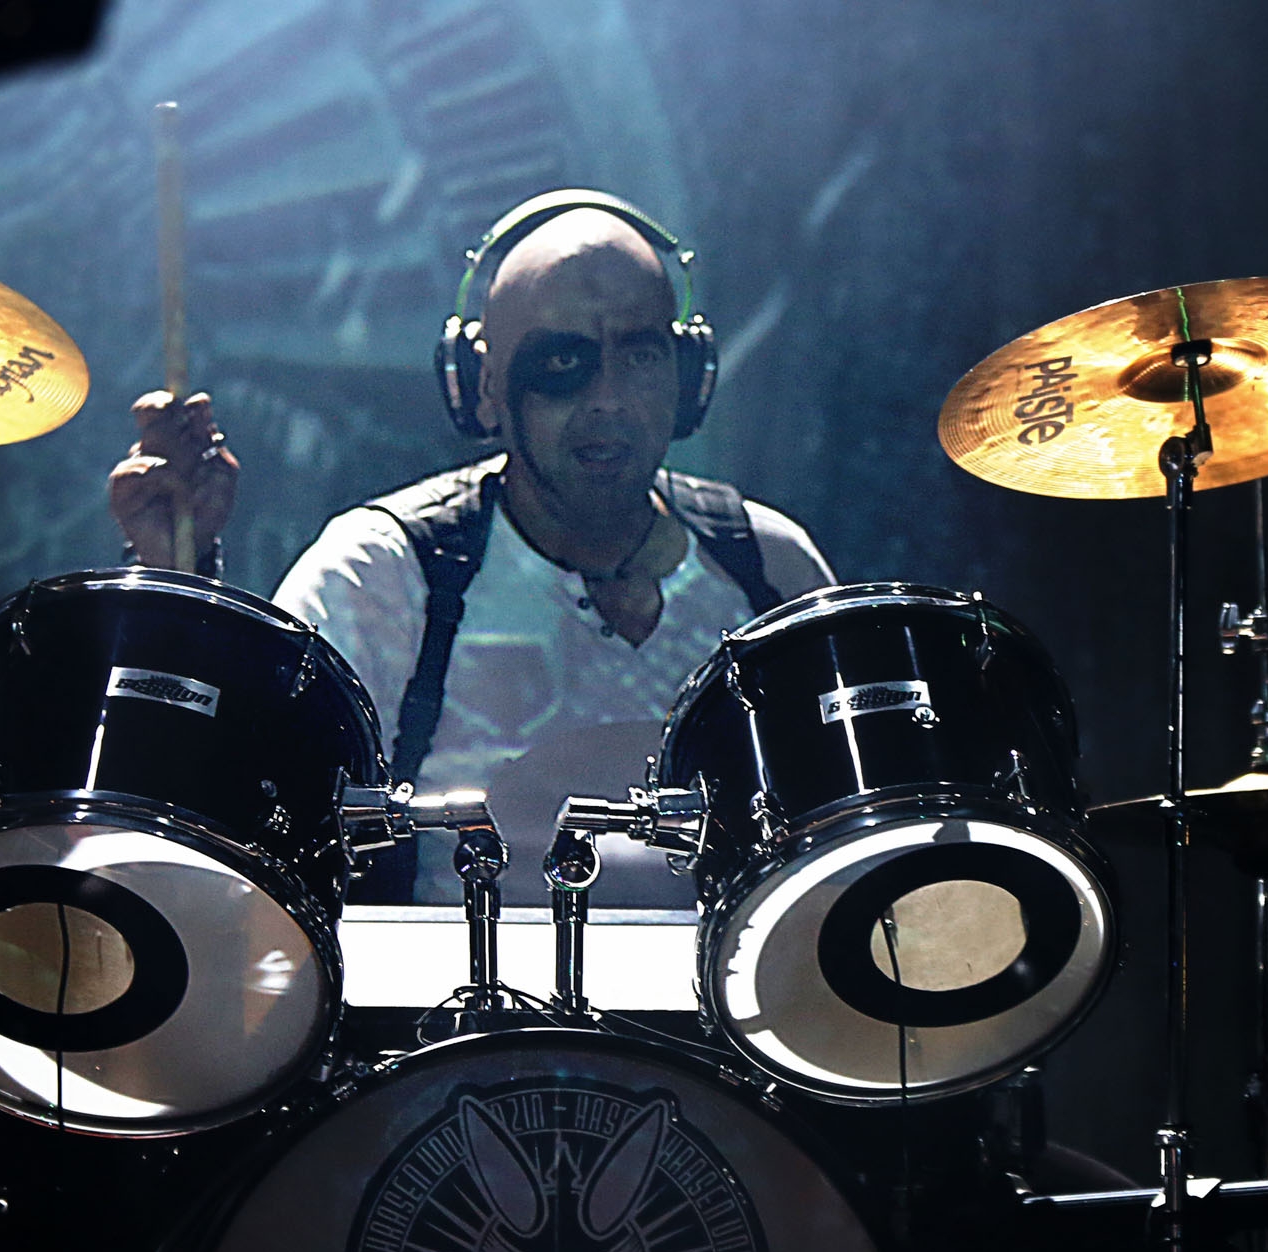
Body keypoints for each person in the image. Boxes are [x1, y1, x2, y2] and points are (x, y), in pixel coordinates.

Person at [107, 190, 833, 898]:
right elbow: (240, 815)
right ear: (481, 387)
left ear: (691, 375)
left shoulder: (772, 569)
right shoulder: (377, 576)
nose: (608, 399)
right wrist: (174, 578)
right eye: (562, 364)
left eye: (641, 356)